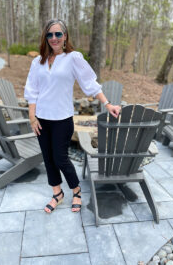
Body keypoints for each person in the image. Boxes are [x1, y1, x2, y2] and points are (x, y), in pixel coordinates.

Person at [24, 18, 120, 214]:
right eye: (50, 34)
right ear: (46, 37)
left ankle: (76, 191)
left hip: (62, 119)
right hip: (41, 119)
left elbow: (89, 83)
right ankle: (57, 194)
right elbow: (31, 91)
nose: (54, 38)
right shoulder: (38, 61)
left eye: (58, 34)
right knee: (48, 158)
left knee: (60, 158)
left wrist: (107, 103)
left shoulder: (73, 58)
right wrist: (32, 117)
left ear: (65, 36)